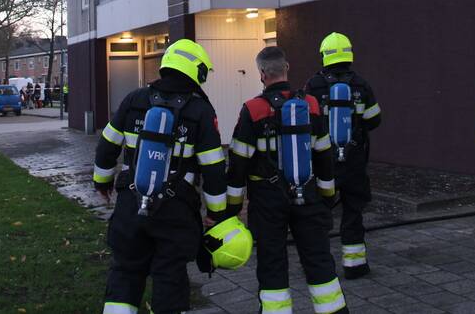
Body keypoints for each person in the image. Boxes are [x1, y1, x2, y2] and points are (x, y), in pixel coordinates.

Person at [93, 39, 228, 314]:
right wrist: (216, 213)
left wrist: (102, 182)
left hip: (131, 202)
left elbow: (106, 146)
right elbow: (214, 167)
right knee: (170, 276)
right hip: (176, 209)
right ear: (197, 71)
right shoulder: (200, 111)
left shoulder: (134, 100)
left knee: (125, 273)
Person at [227, 46, 348, 314]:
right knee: (318, 258)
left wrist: (232, 208)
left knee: (271, 261)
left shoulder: (252, 109)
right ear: (287, 68)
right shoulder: (311, 105)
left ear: (261, 74)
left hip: (266, 199)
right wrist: (326, 196)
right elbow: (324, 154)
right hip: (308, 193)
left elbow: (238, 162)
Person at [305, 31, 381, 278]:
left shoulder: (313, 85)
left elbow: (307, 122)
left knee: (319, 213)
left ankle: (319, 265)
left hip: (324, 161)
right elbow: (374, 119)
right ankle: (355, 265)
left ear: (324, 55)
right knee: (353, 211)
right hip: (354, 160)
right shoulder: (361, 84)